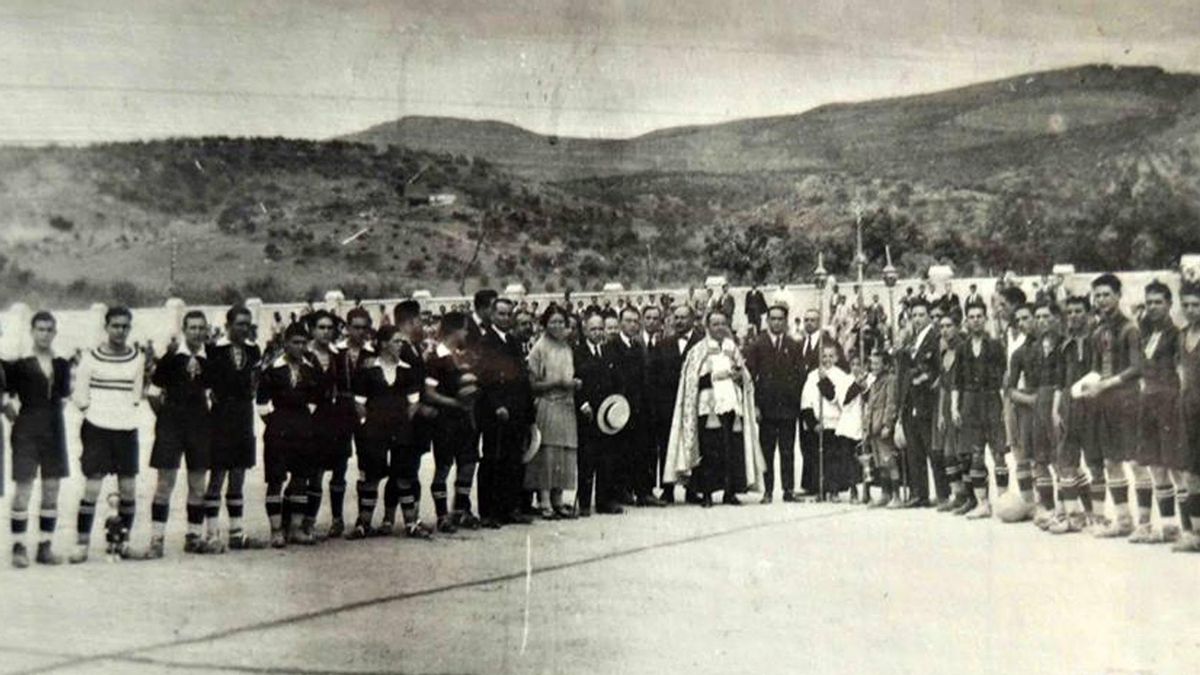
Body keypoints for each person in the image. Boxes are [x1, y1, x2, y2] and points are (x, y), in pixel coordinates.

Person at [664, 309, 765, 507]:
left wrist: (739, 377)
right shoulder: (699, 350)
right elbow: (690, 380)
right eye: (715, 324)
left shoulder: (732, 347)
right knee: (709, 451)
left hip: (730, 408)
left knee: (730, 450)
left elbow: (745, 376)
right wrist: (711, 377)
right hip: (707, 407)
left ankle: (729, 491)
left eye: (722, 324)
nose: (719, 328)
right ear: (707, 327)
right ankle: (707, 493)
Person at [69, 306, 146, 564]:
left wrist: (122, 414)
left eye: (125, 326)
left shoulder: (137, 357)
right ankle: (81, 545)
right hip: (97, 428)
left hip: (125, 429)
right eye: (115, 326)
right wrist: (95, 412)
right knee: (92, 486)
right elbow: (79, 395)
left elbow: (136, 396)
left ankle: (122, 542)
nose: (120, 331)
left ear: (130, 329)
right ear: (106, 327)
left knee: (128, 489)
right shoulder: (91, 357)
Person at [348, 324, 431, 539]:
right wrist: (369, 423)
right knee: (371, 477)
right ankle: (363, 524)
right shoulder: (367, 370)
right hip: (374, 432)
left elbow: (413, 402)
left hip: (401, 431)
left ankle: (411, 523)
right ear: (383, 344)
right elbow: (359, 403)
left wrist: (402, 422)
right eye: (396, 341)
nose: (400, 345)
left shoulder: (407, 370)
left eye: (402, 341)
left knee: (404, 475)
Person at [146, 310, 219, 557]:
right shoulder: (170, 359)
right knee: (165, 482)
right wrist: (166, 417)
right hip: (171, 426)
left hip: (200, 426)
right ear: (184, 330)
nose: (197, 332)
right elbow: (153, 394)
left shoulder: (211, 360)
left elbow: (213, 393)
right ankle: (157, 540)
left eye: (201, 328)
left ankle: (194, 536)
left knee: (198, 483)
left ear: (206, 330)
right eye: (193, 328)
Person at [3, 311, 71, 567]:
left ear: (55, 333)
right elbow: (5, 394)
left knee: (52, 488)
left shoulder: (62, 363)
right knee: (24, 488)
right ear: (32, 332)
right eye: (39, 329)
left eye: (48, 330)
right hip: (26, 430)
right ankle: (18, 546)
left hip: (54, 429)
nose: (44, 334)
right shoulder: (18, 363)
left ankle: (45, 546)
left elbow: (63, 398)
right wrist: (15, 417)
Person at [1081, 273, 1141, 538]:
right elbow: (1095, 369)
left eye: (1106, 294)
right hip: (1104, 402)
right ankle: (1124, 519)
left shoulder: (1130, 329)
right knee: (1111, 461)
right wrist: (1085, 385)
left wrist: (1106, 384)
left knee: (1138, 460)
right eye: (1098, 296)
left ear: (1118, 296)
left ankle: (1150, 523)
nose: (1102, 300)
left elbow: (1136, 368)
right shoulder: (1098, 331)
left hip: (1127, 400)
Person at [203, 305, 266, 550]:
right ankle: (211, 534)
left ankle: (236, 533)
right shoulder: (213, 350)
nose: (244, 328)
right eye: (239, 324)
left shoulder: (253, 350)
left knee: (238, 474)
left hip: (243, 416)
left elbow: (255, 380)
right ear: (228, 325)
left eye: (247, 324)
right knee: (217, 474)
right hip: (220, 417)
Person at [1128, 280, 1184, 544]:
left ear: (1170, 304)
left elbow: (1182, 374)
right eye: (1149, 302)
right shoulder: (1147, 332)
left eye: (1158, 302)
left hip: (1169, 404)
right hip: (1147, 402)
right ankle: (1169, 526)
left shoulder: (1177, 335)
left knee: (1175, 466)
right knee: (1156, 466)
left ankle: (1189, 529)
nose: (1152, 307)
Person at [257, 322, 322, 547]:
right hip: (278, 430)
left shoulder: (310, 370)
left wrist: (302, 420)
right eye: (295, 342)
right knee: (276, 480)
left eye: (304, 343)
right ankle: (276, 530)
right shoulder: (272, 370)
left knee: (300, 479)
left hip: (303, 429)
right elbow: (262, 405)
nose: (300, 347)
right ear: (286, 343)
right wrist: (277, 423)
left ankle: (295, 529)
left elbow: (315, 399)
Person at [477, 297, 535, 527]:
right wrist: (497, 405)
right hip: (496, 411)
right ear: (492, 315)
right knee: (493, 459)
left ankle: (509, 508)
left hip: (516, 409)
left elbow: (522, 379)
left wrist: (528, 412)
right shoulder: (485, 343)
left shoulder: (512, 341)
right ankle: (488, 512)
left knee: (513, 460)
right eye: (500, 314)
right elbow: (485, 378)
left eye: (508, 314)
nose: (504, 318)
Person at [424, 311, 482, 531]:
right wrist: (454, 403)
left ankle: (459, 511)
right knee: (443, 467)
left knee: (468, 464)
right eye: (465, 329)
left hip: (466, 420)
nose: (467, 333)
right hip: (445, 421)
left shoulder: (463, 356)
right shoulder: (435, 358)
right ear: (454, 331)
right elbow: (429, 393)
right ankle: (441, 516)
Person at [1008, 302, 1063, 527]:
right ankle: (1048, 507)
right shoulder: (1021, 353)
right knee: (1039, 459)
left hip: (1057, 405)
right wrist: (1032, 400)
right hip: (1034, 410)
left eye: (1026, 318)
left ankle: (1073, 508)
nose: (1023, 324)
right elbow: (1010, 389)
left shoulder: (1059, 345)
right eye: (1018, 320)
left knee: (1062, 459)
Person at [951, 302, 1007, 519]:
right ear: (967, 320)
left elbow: (1004, 376)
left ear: (985, 319)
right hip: (970, 402)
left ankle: (1002, 502)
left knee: (999, 453)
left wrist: (1004, 406)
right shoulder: (962, 348)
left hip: (992, 399)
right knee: (975, 455)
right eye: (972, 316)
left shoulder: (995, 346)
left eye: (979, 316)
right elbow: (957, 380)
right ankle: (983, 503)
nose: (975, 320)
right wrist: (955, 407)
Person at [1046, 295, 1096, 534]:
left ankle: (1096, 514)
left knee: (1096, 460)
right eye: (1070, 312)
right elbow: (1059, 381)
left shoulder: (1095, 341)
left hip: (1092, 403)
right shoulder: (1064, 345)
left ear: (1088, 313)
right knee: (1066, 460)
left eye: (1079, 311)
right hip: (1068, 404)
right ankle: (1073, 515)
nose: (1074, 316)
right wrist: (1056, 409)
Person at [526, 306, 581, 519]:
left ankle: (558, 499)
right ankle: (545, 501)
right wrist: (557, 382)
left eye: (561, 322)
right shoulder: (539, 348)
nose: (557, 326)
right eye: (553, 322)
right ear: (545, 324)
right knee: (547, 454)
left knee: (564, 453)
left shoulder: (567, 347)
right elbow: (532, 384)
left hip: (566, 405)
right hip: (548, 404)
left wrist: (574, 384)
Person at [744, 302, 803, 503]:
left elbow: (799, 377)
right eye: (773, 319)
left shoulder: (794, 345)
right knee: (767, 450)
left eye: (780, 319)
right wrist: (755, 406)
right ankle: (768, 491)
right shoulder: (757, 345)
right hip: (767, 408)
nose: (776, 322)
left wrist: (796, 405)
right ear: (767, 321)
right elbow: (750, 378)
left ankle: (788, 490)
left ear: (786, 321)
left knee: (787, 451)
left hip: (787, 408)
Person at [307, 310, 358, 538]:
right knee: (315, 470)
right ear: (312, 330)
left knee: (339, 469)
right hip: (313, 418)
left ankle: (337, 519)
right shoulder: (305, 356)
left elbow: (348, 386)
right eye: (321, 327)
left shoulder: (340, 356)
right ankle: (309, 519)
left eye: (330, 328)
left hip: (338, 416)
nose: (326, 332)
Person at [650, 304, 704, 503]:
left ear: (692, 320)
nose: (679, 321)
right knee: (667, 445)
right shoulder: (663, 344)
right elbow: (654, 377)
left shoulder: (702, 343)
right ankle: (668, 488)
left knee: (693, 443)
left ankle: (693, 489)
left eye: (683, 317)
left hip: (694, 403)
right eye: (676, 317)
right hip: (668, 404)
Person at [610, 306, 663, 507]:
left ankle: (643, 492)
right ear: (620, 323)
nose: (632, 324)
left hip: (640, 407)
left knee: (642, 450)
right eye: (628, 321)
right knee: (621, 451)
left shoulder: (638, 347)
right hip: (621, 406)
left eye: (635, 321)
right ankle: (621, 491)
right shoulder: (612, 346)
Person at [574, 312, 622, 515]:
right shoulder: (577, 352)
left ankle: (604, 501)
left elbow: (616, 381)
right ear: (585, 330)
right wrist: (582, 403)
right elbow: (574, 380)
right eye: (593, 329)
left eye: (600, 328)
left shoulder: (609, 351)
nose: (597, 332)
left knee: (607, 458)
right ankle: (584, 502)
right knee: (586, 459)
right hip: (587, 413)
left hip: (606, 413)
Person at [896, 298, 940, 507]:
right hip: (910, 399)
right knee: (914, 450)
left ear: (929, 316)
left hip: (927, 399)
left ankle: (943, 493)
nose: (917, 319)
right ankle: (919, 493)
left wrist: (927, 379)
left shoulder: (934, 337)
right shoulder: (911, 339)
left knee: (932, 448)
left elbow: (937, 368)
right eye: (914, 316)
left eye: (921, 315)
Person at [1173, 282, 1200, 552]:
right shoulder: (1181, 336)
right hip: (1189, 411)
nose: (1191, 310)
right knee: (1191, 473)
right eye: (1187, 305)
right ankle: (1194, 532)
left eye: (1197, 305)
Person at [933, 313, 966, 512]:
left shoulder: (963, 348)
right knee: (948, 453)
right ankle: (958, 494)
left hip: (961, 403)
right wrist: (940, 413)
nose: (944, 330)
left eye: (948, 325)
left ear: (957, 326)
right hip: (946, 405)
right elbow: (944, 386)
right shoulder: (945, 353)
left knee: (962, 452)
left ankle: (969, 495)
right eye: (942, 326)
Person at [862, 350, 900, 508]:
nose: (874, 367)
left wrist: (887, 425)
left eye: (877, 363)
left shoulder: (890, 380)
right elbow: (870, 406)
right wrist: (866, 426)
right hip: (873, 427)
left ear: (885, 364)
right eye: (872, 363)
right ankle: (886, 493)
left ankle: (896, 496)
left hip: (882, 426)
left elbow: (891, 404)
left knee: (889, 461)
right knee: (879, 463)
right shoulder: (874, 381)